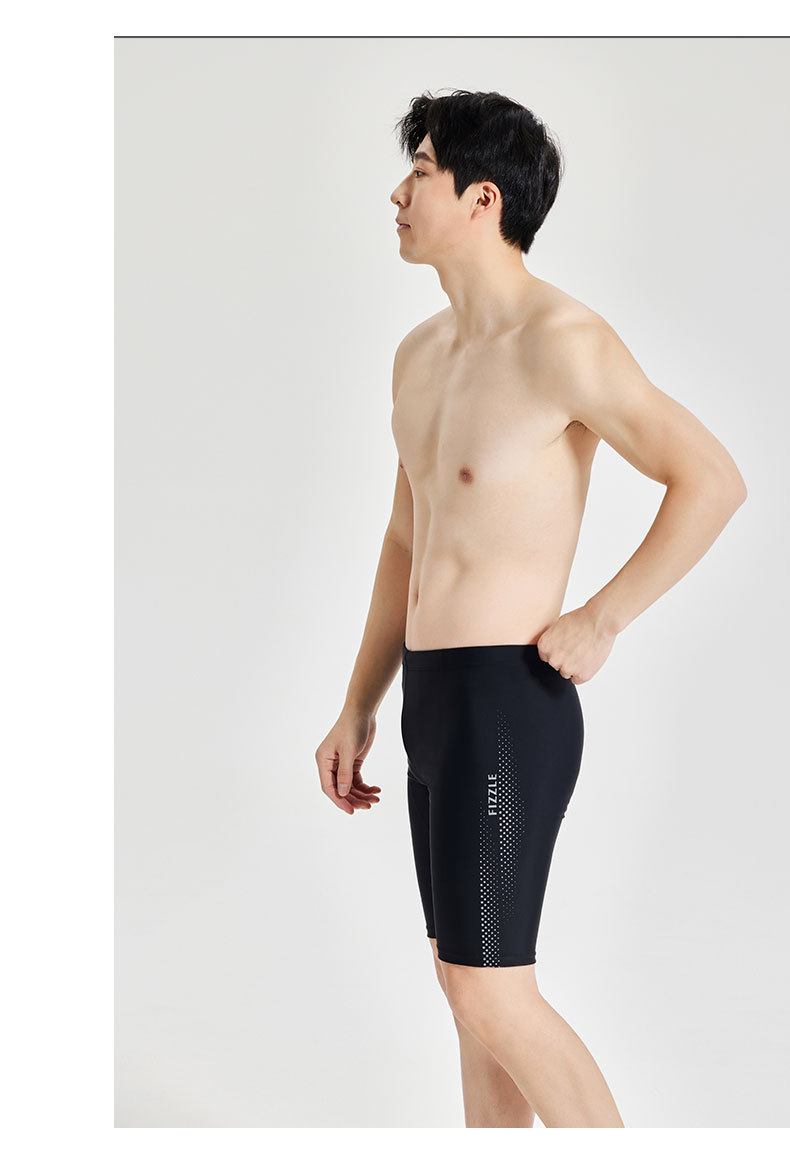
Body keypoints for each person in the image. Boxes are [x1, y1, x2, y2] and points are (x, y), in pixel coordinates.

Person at [314, 89, 747, 1129]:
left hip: (509, 701)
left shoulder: (564, 341)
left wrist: (603, 616)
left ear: (483, 198)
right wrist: (359, 702)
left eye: (421, 171)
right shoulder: (419, 356)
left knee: (491, 993)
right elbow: (405, 540)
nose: (398, 193)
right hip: (431, 700)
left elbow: (711, 479)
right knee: (470, 1000)